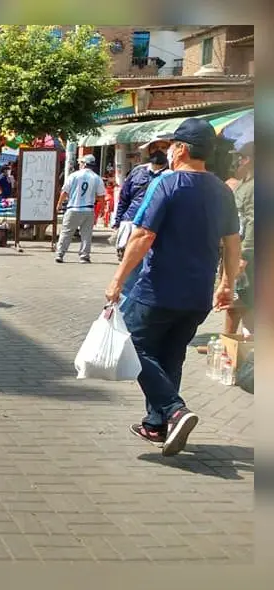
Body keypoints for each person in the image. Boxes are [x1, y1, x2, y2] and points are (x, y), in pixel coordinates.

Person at [104, 118, 241, 456]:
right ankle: (156, 425)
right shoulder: (223, 190)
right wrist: (227, 284)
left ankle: (174, 409)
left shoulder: (167, 184)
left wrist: (117, 279)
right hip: (197, 294)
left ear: (180, 148)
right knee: (170, 356)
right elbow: (233, 242)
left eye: (170, 145)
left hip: (158, 289)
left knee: (132, 345)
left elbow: (143, 235)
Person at [113, 137, 170, 266]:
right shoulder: (137, 172)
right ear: (149, 151)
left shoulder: (172, 175)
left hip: (158, 229)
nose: (159, 151)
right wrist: (117, 223)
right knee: (129, 269)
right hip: (131, 223)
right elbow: (124, 199)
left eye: (163, 148)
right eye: (155, 148)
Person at [222, 141, 254, 336]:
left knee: (237, 303)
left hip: (247, 256)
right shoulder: (244, 184)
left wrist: (243, 256)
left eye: (240, 157)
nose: (237, 161)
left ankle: (230, 349)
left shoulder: (254, 186)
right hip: (238, 251)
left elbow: (254, 222)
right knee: (238, 304)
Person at [55, 154, 106, 263]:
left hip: (73, 208)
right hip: (88, 210)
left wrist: (59, 204)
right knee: (86, 234)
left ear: (84, 164)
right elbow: (101, 196)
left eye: (81, 163)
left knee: (66, 232)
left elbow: (65, 191)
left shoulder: (74, 176)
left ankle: (60, 254)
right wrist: (102, 209)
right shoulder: (97, 178)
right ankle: (84, 256)